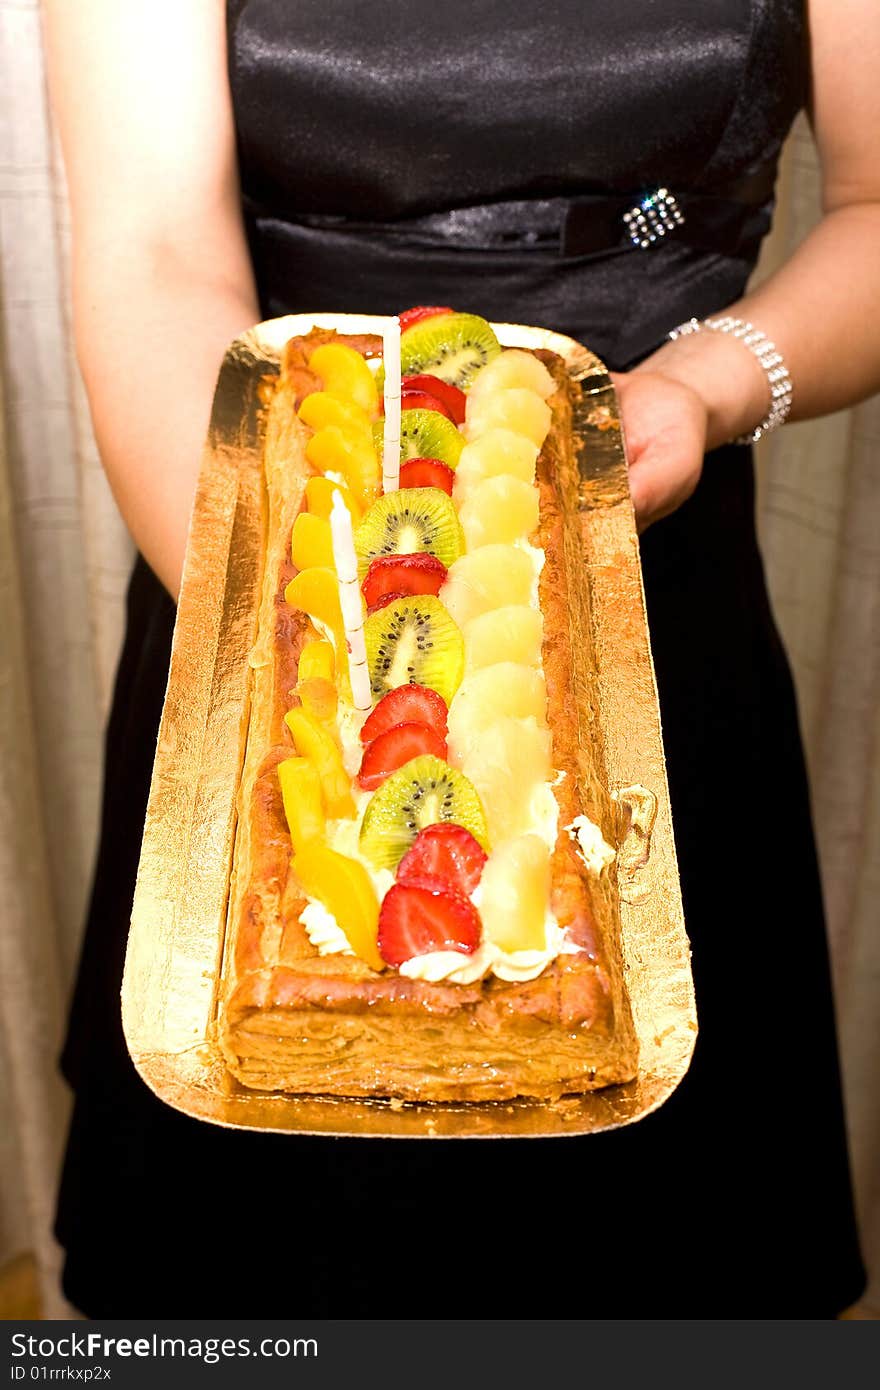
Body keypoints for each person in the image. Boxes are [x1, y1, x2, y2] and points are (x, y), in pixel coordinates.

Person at [44, 0, 873, 1316]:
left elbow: (876, 207)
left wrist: (709, 384)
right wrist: (300, 632)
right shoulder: (284, 623)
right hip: (277, 609)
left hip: (669, 616)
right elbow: (154, 245)